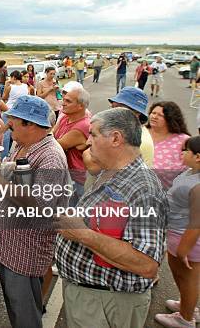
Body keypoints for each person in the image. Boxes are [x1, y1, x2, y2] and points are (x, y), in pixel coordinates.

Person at [55, 108, 168, 328]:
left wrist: (81, 234)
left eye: (94, 134)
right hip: (94, 298)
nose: (87, 142)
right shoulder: (113, 171)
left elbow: (146, 264)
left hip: (106, 304)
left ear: (115, 138)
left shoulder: (144, 189)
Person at [0, 95, 71, 328]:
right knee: (16, 309)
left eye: (13, 120)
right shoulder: (21, 142)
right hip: (9, 246)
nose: (9, 124)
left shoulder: (51, 157)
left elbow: (42, 205)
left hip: (25, 252)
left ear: (31, 124)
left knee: (25, 315)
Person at [154, 136, 200, 328]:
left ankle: (186, 318)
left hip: (187, 242)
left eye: (186, 151)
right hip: (177, 235)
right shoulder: (191, 172)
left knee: (188, 279)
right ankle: (186, 306)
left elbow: (196, 223)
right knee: (181, 277)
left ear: (197, 157)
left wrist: (183, 251)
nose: (182, 153)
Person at [53, 87, 91, 203]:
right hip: (66, 176)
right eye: (64, 100)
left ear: (81, 106)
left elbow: (56, 145)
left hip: (77, 180)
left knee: (70, 215)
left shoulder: (83, 125)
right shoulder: (65, 118)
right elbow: (51, 134)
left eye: (68, 101)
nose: (63, 104)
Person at [107, 87, 154, 166]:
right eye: (112, 108)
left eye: (119, 108)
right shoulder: (122, 129)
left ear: (137, 113)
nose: (112, 113)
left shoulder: (138, 141)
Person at [147, 101, 191, 186]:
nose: (154, 117)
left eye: (160, 115)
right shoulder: (140, 132)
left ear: (170, 119)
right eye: (153, 113)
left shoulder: (183, 140)